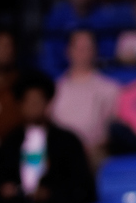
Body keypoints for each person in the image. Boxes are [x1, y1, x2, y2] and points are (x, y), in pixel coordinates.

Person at [0, 71, 96, 203]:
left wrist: (51, 194)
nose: (33, 106)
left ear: (48, 103)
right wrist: (4, 190)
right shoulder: (9, 143)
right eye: (28, 101)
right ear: (19, 105)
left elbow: (84, 189)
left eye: (38, 101)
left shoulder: (68, 142)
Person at [51, 30, 121, 169]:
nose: (83, 53)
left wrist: (91, 147)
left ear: (95, 52)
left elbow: (114, 129)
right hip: (59, 152)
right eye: (79, 48)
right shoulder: (54, 89)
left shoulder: (110, 88)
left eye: (88, 48)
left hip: (94, 153)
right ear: (68, 51)